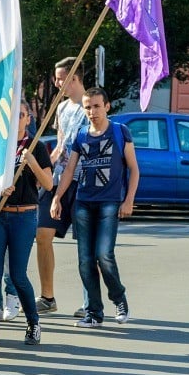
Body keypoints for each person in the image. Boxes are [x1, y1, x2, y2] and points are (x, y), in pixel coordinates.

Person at [51, 87, 139, 328]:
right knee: (85, 260)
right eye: (87, 107)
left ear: (107, 106)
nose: (92, 111)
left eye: (96, 106)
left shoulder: (121, 132)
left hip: (110, 202)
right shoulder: (81, 135)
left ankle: (119, 298)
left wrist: (129, 199)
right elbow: (70, 169)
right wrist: (57, 197)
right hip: (83, 202)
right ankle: (94, 312)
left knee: (103, 255)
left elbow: (134, 168)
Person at [0, 100, 53, 347]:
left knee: (18, 275)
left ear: (28, 119)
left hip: (24, 215)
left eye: (20, 115)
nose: (15, 119)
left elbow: (48, 184)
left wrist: (32, 163)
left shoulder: (37, 147)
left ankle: (33, 323)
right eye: (11, 115)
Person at [35, 57, 88, 315]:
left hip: (82, 181)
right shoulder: (62, 108)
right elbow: (59, 144)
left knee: (86, 244)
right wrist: (46, 165)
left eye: (60, 79)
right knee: (42, 234)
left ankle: (91, 301)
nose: (56, 84)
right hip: (56, 179)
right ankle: (47, 297)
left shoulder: (91, 106)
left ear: (74, 78)